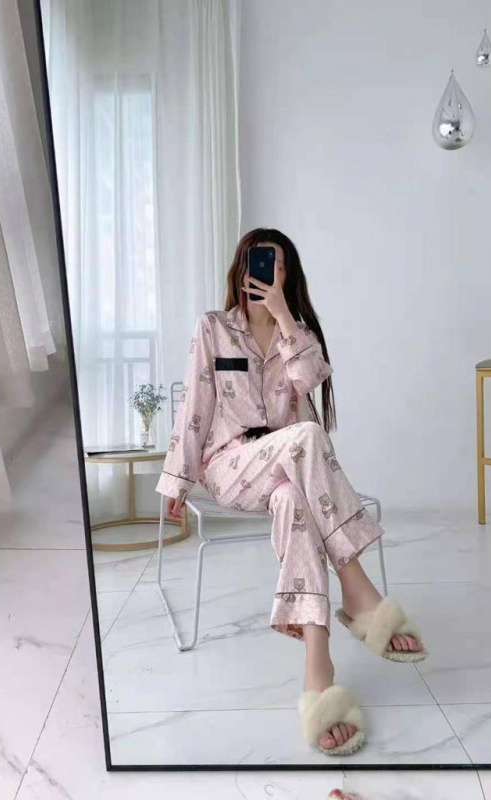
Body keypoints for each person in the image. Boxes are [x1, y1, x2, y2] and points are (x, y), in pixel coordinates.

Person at [156, 228, 428, 757]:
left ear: (288, 275)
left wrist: (282, 317)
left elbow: (310, 377)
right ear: (241, 269)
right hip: (231, 464)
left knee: (294, 501)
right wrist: (179, 480)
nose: (265, 272)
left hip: (291, 474)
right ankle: (358, 590)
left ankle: (317, 672)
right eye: (257, 262)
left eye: (276, 265)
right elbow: (194, 408)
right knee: (306, 436)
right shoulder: (213, 328)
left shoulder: (297, 334)